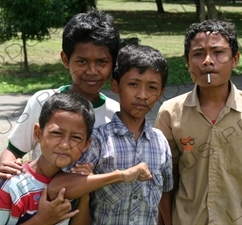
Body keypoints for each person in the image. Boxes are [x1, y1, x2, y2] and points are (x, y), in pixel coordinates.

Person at [154, 20, 242, 225]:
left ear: (235, 59)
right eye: (198, 54)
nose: (208, 61)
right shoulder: (170, 113)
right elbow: (166, 179)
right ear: (187, 62)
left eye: (218, 53)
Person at [0, 92, 152, 225]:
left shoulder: (77, 181)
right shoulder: (12, 185)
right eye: (56, 133)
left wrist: (84, 196)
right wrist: (42, 220)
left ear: (87, 144)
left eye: (76, 138)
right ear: (38, 133)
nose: (64, 145)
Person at [48, 44, 173, 225]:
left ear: (161, 93)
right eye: (133, 84)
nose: (143, 95)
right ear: (115, 86)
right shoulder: (98, 141)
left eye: (152, 88)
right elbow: (58, 187)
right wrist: (111, 177)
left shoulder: (160, 143)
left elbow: (165, 194)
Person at [0, 9, 121, 183]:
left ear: (113, 63)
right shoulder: (42, 101)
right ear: (66, 59)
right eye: (82, 61)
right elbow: (13, 150)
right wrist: (8, 170)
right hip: (39, 207)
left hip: (91, 209)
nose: (92, 71)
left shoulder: (116, 113)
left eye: (101, 62)